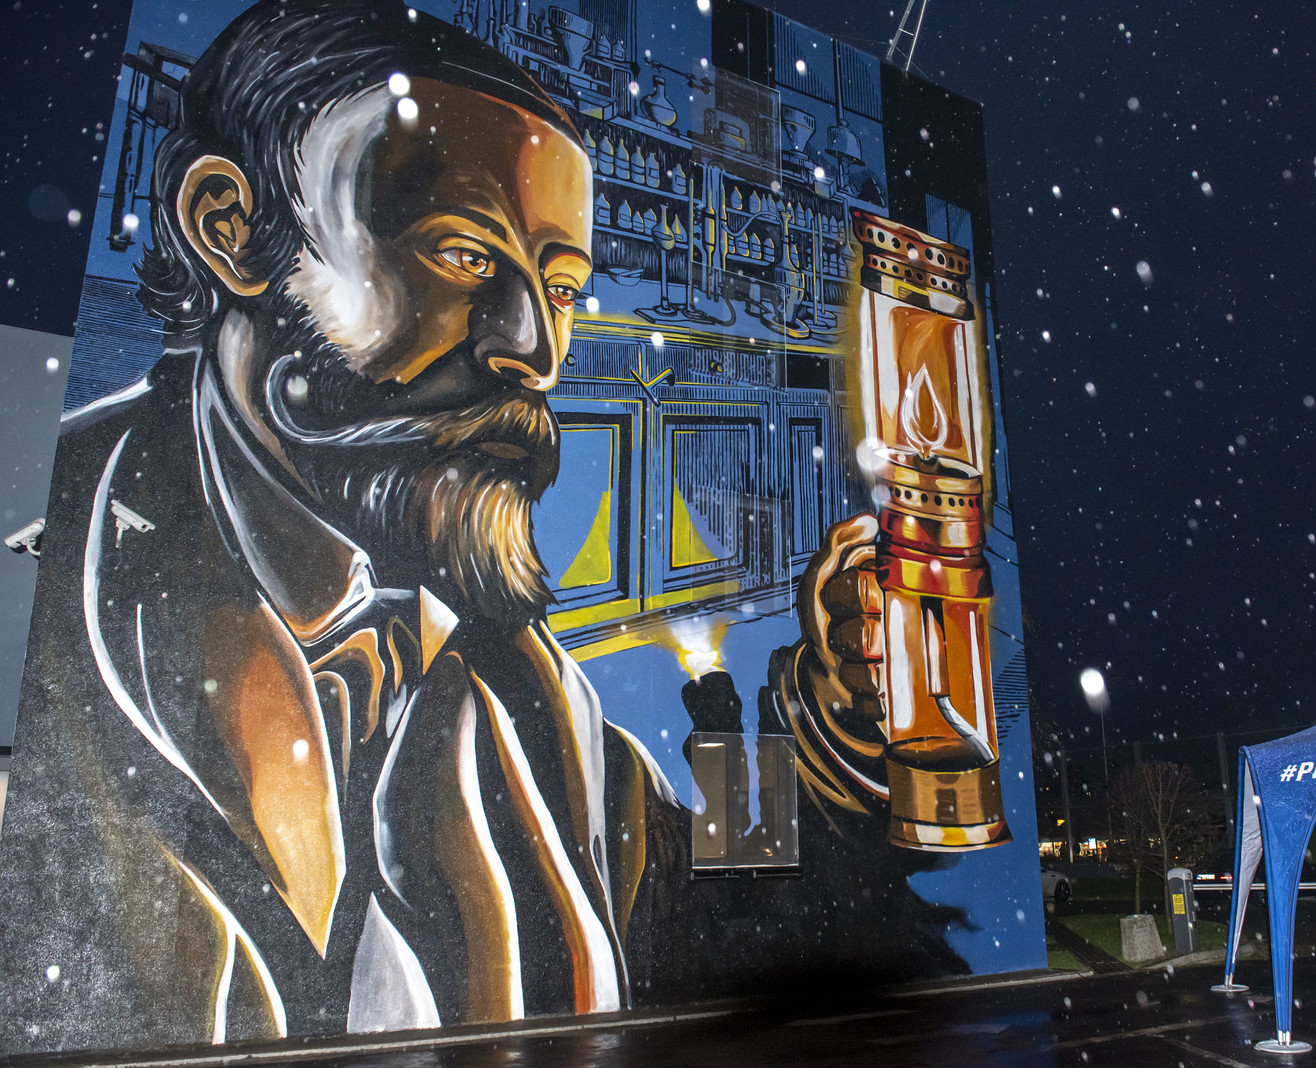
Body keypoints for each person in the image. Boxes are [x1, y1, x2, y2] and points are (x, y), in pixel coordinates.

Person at [0, 0, 944, 1050]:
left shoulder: (505, 668)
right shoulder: (56, 569)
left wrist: (831, 725)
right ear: (229, 227)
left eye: (561, 287)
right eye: (462, 255)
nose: (534, 348)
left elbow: (708, 901)